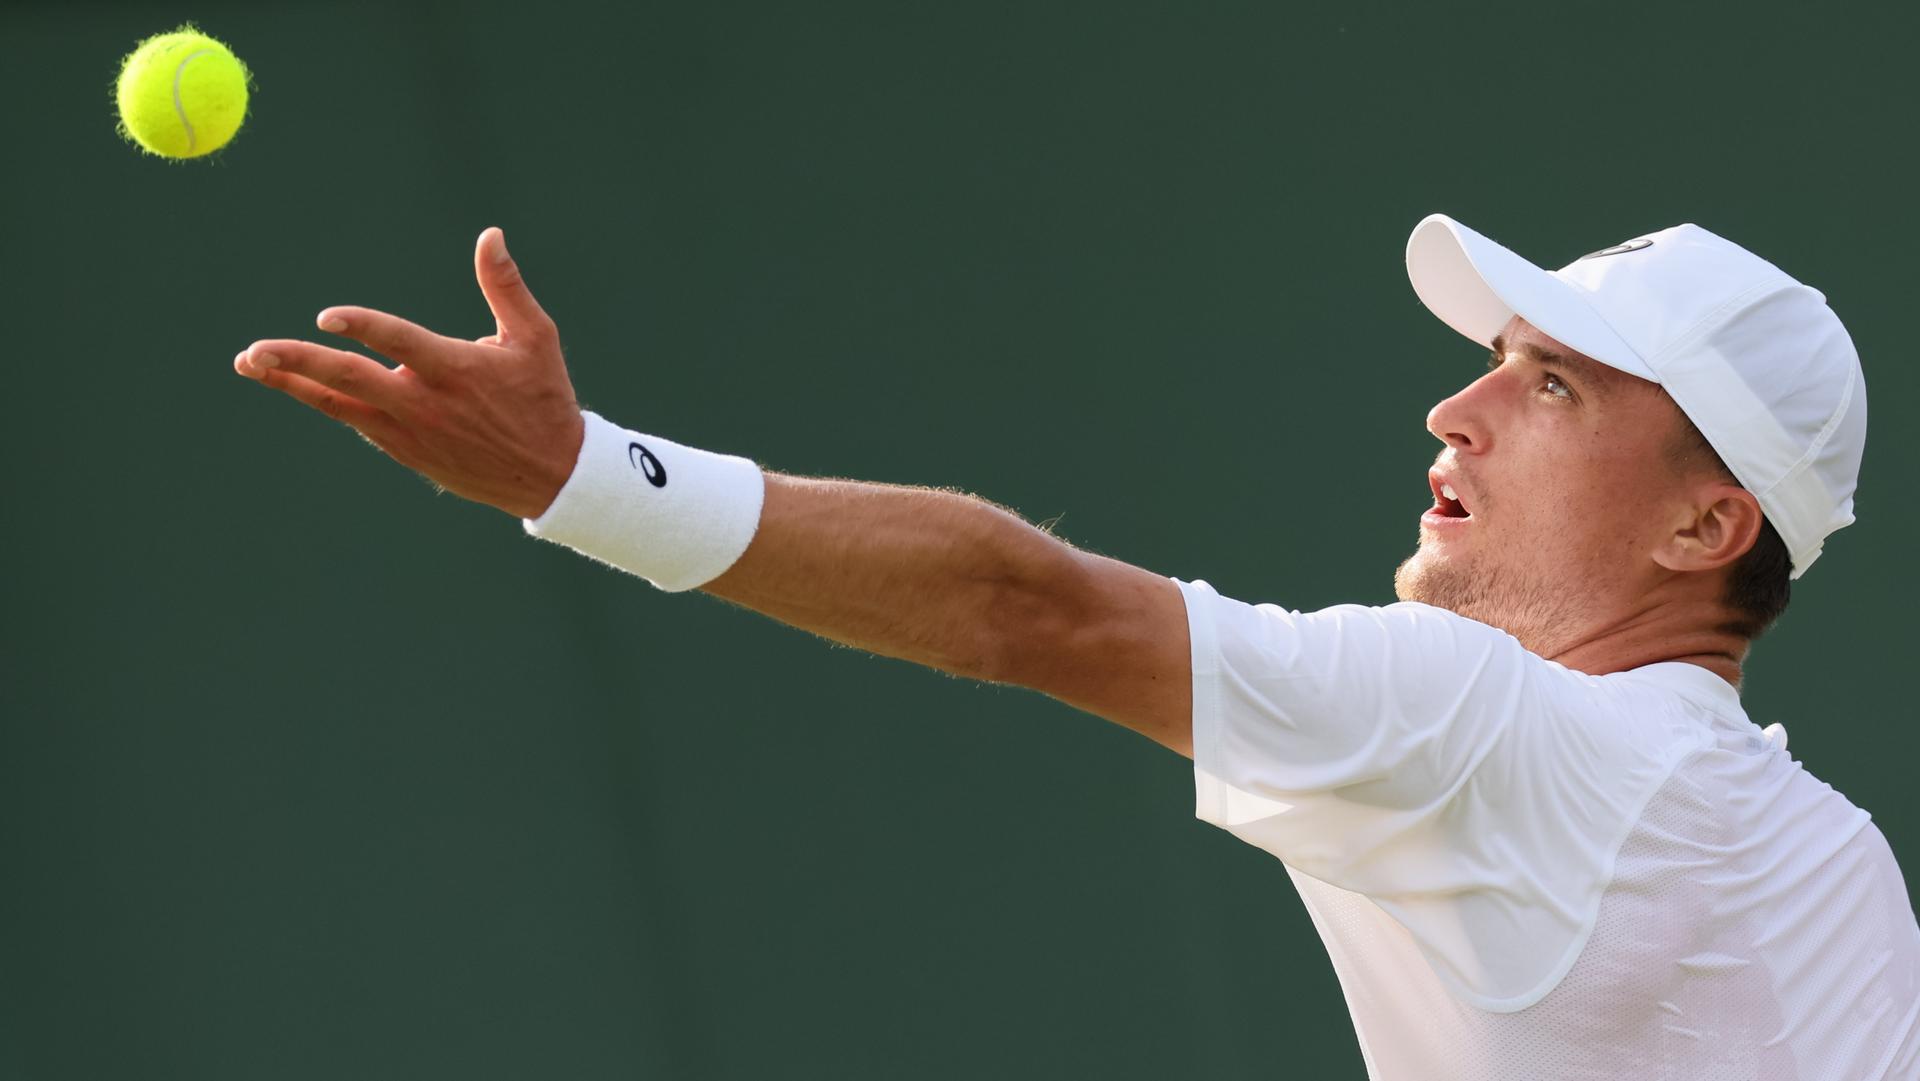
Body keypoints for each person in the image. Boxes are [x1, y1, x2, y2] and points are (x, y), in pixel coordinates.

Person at [233, 215, 1920, 1078]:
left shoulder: (1498, 735)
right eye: (1500, 355)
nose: (1456, 407)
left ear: (1707, 531)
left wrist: (581, 474)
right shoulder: (1833, 860)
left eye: (1550, 385)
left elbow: (1018, 603)